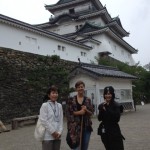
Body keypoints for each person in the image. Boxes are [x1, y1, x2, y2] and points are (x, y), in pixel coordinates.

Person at [66, 81, 94, 150]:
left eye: (82, 87)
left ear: (84, 88)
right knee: (76, 147)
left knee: (84, 147)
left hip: (86, 127)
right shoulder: (71, 100)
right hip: (75, 128)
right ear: (76, 89)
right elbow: (68, 113)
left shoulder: (88, 100)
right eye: (78, 87)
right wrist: (79, 112)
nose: (80, 88)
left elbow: (91, 113)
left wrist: (86, 110)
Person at [97, 86, 124, 150]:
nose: (107, 96)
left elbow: (117, 119)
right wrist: (102, 110)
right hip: (105, 132)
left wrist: (107, 109)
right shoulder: (101, 105)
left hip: (114, 131)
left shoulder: (116, 105)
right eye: (106, 94)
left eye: (109, 94)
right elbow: (99, 118)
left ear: (112, 94)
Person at [39, 85, 63, 150]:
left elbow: (61, 120)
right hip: (48, 136)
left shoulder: (59, 106)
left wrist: (60, 132)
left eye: (56, 93)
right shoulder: (45, 105)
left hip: (57, 136)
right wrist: (53, 132)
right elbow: (43, 120)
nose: (55, 95)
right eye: (53, 93)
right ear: (49, 95)